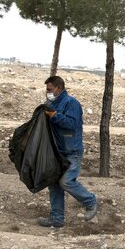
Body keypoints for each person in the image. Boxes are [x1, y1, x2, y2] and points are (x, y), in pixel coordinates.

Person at [37, 75, 98, 228]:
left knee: (66, 181)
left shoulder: (71, 103)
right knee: (55, 184)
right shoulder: (51, 103)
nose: (48, 92)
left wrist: (53, 115)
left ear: (59, 88)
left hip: (71, 151)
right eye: (47, 90)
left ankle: (90, 202)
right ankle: (57, 219)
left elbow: (71, 124)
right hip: (57, 151)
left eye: (50, 89)